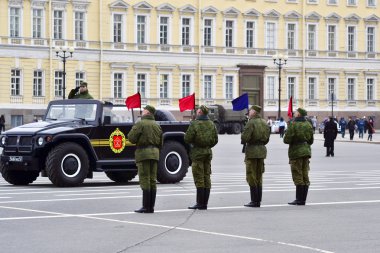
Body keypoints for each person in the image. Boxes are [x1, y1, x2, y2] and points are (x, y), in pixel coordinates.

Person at [127, 105, 163, 213]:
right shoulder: (157, 125)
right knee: (152, 180)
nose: (142, 112)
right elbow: (161, 142)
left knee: (145, 180)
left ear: (147, 112)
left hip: (143, 154)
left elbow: (131, 138)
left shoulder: (141, 123)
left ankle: (145, 206)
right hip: (155, 154)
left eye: (144, 110)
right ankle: (151, 207)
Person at [185, 105, 218, 210]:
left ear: (200, 113)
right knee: (206, 177)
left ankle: (200, 203)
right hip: (208, 152)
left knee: (199, 178)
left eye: (197, 111)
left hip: (197, 153)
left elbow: (187, 138)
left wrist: (196, 144)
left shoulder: (195, 124)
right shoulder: (211, 124)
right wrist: (207, 146)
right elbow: (215, 140)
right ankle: (205, 203)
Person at [241, 105, 270, 208]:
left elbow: (244, 138)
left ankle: (254, 201)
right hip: (261, 151)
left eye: (250, 111)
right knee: (259, 176)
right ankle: (258, 200)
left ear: (253, 112)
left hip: (252, 151)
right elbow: (267, 139)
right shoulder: (264, 122)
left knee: (251, 176)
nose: (249, 112)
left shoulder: (251, 123)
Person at [283, 108, 314, 206]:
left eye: (295, 112)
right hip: (306, 151)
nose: (294, 113)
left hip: (296, 152)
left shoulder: (294, 124)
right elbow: (311, 140)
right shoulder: (308, 124)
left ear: (299, 114)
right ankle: (303, 199)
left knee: (298, 174)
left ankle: (299, 199)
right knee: (305, 175)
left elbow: (286, 140)